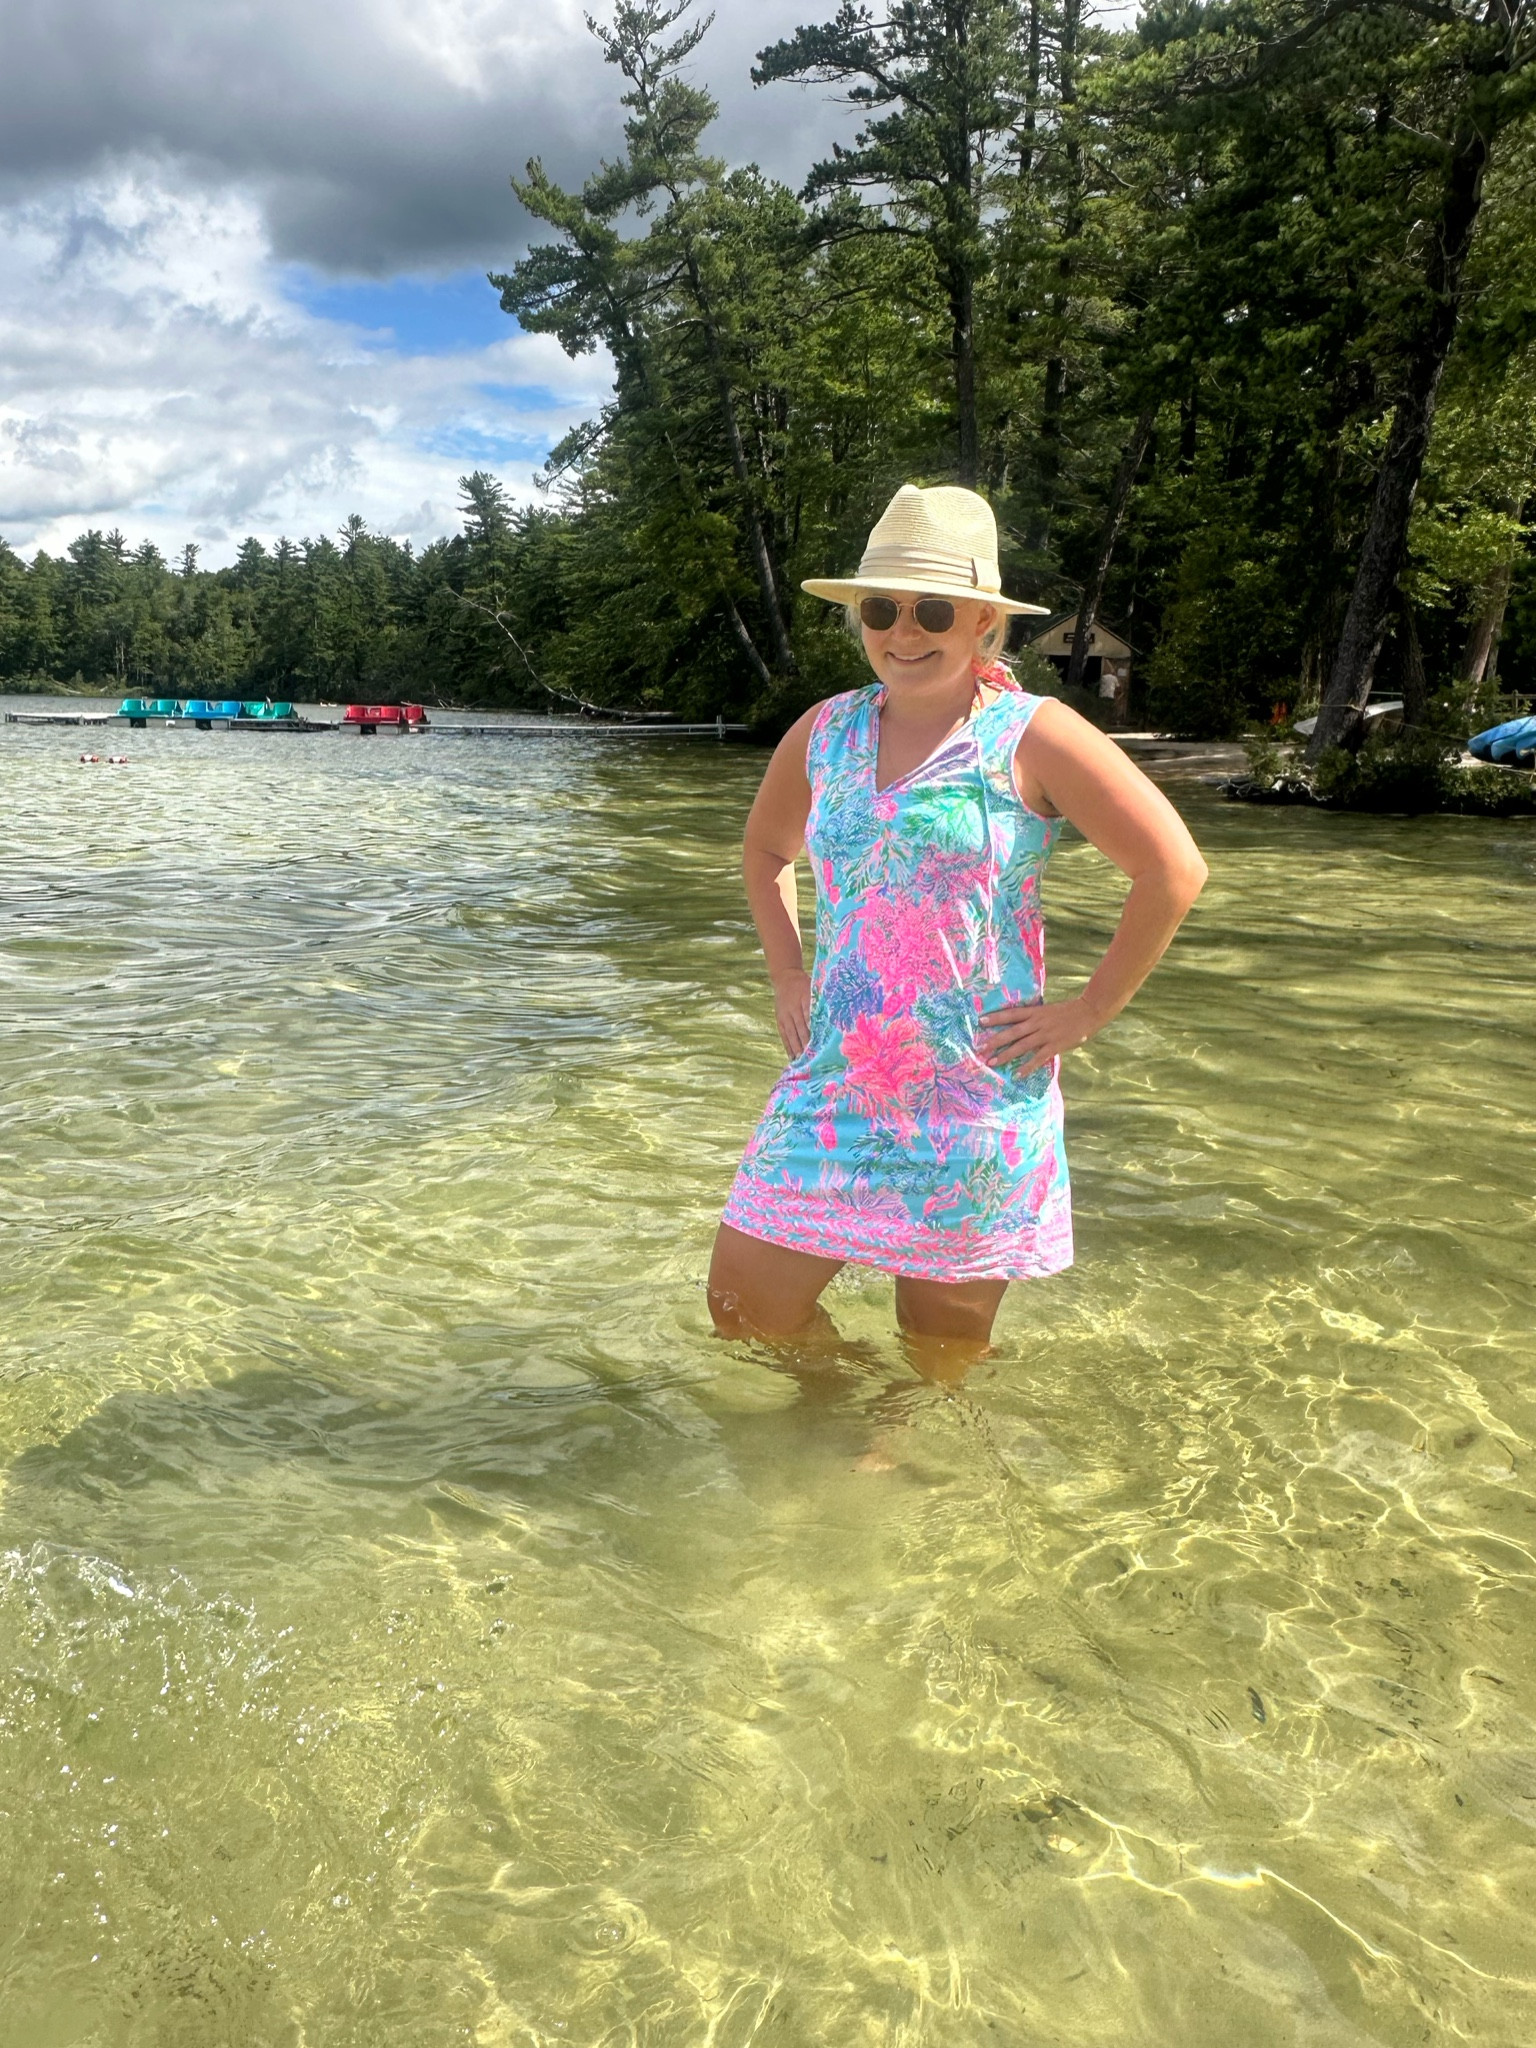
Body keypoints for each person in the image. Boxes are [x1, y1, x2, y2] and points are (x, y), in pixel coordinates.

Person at [708, 482, 1208, 1357]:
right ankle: (829, 1406)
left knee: (938, 1343)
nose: (904, 631)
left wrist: (1087, 1013)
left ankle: (901, 1446)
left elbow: (1172, 870)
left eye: (934, 609)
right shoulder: (823, 732)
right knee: (744, 1307)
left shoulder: (1035, 735)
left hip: (976, 1090)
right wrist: (788, 973)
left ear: (984, 623)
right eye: (882, 608)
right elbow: (764, 853)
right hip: (837, 1079)